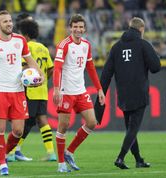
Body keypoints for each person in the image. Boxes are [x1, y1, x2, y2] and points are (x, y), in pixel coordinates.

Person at [0, 10, 44, 176]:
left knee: (18, 131)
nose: (9, 24)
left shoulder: (20, 40)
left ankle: (2, 154)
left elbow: (30, 61)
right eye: (5, 21)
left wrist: (40, 75)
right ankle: (3, 165)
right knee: (0, 129)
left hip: (18, 91)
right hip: (0, 91)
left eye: (10, 21)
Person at [96, 17, 161, 169]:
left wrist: (101, 93)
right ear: (142, 29)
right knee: (133, 128)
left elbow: (106, 73)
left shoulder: (116, 47)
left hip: (123, 94)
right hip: (139, 92)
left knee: (130, 129)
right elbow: (156, 67)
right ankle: (120, 158)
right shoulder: (143, 44)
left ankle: (138, 159)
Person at [52, 14, 105, 173]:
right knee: (63, 126)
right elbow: (57, 68)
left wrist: (99, 89)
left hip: (81, 91)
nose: (78, 29)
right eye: (75, 27)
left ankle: (69, 152)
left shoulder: (86, 45)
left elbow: (91, 68)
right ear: (70, 28)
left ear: (84, 29)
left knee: (92, 122)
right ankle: (61, 163)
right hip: (66, 92)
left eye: (81, 27)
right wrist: (56, 89)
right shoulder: (64, 45)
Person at [7, 19, 56, 162]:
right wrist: (42, 79)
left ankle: (11, 152)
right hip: (42, 90)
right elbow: (51, 69)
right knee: (42, 120)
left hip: (30, 91)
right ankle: (51, 153)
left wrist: (29, 80)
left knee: (24, 122)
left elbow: (23, 68)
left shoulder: (26, 47)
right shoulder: (44, 48)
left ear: (25, 35)